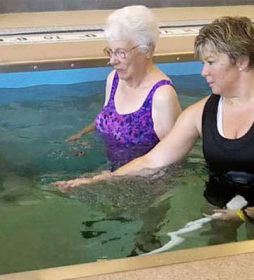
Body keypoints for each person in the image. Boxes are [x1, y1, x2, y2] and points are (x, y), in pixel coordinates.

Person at [54, 16, 254, 225]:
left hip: (247, 211)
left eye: (211, 62)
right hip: (219, 201)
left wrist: (246, 214)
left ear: (241, 61)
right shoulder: (200, 113)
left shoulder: (165, 95)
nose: (203, 72)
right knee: (217, 243)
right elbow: (152, 160)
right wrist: (97, 180)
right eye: (203, 63)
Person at [64, 5, 181, 170]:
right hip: (109, 169)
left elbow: (173, 161)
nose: (112, 61)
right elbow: (109, 118)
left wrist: (111, 179)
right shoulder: (114, 79)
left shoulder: (162, 96)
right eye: (110, 52)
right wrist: (83, 135)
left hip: (142, 185)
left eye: (121, 53)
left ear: (147, 50)